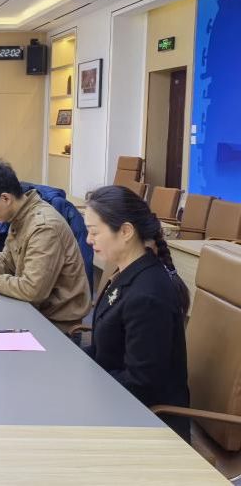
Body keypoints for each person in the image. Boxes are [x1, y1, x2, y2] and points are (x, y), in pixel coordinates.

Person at [83, 185, 190, 441]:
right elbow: (107, 351)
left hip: (146, 424)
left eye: (94, 232)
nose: (88, 240)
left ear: (126, 231)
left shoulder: (148, 295)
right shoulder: (128, 273)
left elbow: (141, 385)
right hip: (117, 401)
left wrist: (85, 383)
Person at [0, 160, 90, 331]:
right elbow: (6, 260)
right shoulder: (20, 216)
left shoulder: (43, 227)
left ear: (5, 198)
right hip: (32, 310)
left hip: (53, 324)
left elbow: (32, 289)